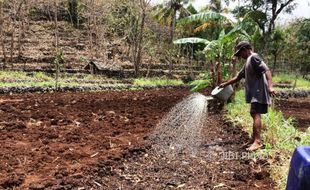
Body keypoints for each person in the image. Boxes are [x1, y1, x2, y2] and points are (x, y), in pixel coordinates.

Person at [219, 41, 276, 151]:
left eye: (240, 53)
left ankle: (257, 141)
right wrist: (224, 84)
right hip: (255, 92)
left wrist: (270, 86)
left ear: (245, 49)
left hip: (259, 91)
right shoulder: (248, 62)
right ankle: (253, 139)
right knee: (253, 113)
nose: (240, 56)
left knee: (255, 113)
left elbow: (267, 70)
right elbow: (238, 77)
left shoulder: (254, 57)